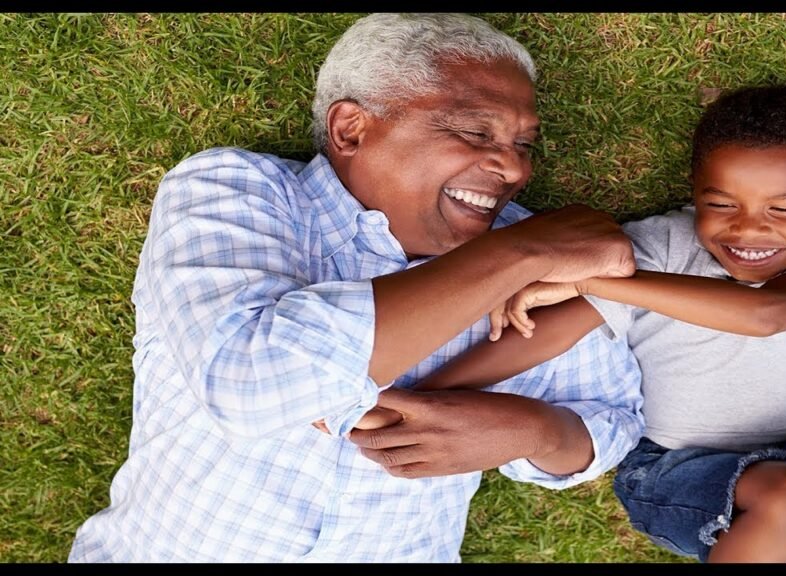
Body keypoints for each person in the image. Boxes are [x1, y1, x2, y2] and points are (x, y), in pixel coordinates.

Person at [67, 13, 646, 563]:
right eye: (477, 131)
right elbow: (252, 383)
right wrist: (518, 254)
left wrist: (531, 431)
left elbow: (609, 418)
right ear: (351, 129)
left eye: (523, 145)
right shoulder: (234, 190)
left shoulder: (534, 253)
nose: (515, 170)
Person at [407, 83, 786, 563]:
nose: (749, 228)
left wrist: (595, 280)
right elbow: (553, 331)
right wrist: (427, 393)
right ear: (695, 192)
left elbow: (772, 313)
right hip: (671, 467)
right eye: (720, 203)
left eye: (785, 209)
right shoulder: (662, 245)